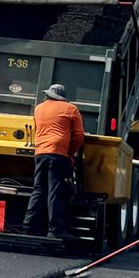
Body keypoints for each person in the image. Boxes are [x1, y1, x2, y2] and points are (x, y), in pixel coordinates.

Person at [24, 83, 86, 241]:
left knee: (38, 189)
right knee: (55, 192)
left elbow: (37, 128)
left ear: (48, 94)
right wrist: (69, 153)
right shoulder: (70, 109)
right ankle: (55, 229)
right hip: (58, 153)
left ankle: (29, 226)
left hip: (40, 152)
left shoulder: (38, 108)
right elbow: (79, 136)